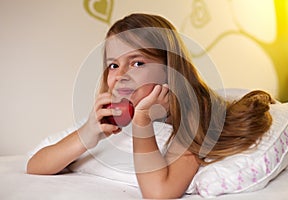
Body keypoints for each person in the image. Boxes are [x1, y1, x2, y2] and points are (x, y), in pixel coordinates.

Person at [26, 13, 274, 198]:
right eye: (113, 65)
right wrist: (88, 134)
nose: (120, 74)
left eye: (137, 63)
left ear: (169, 70)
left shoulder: (191, 117)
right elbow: (35, 166)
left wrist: (143, 120)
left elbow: (159, 192)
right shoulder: (110, 117)